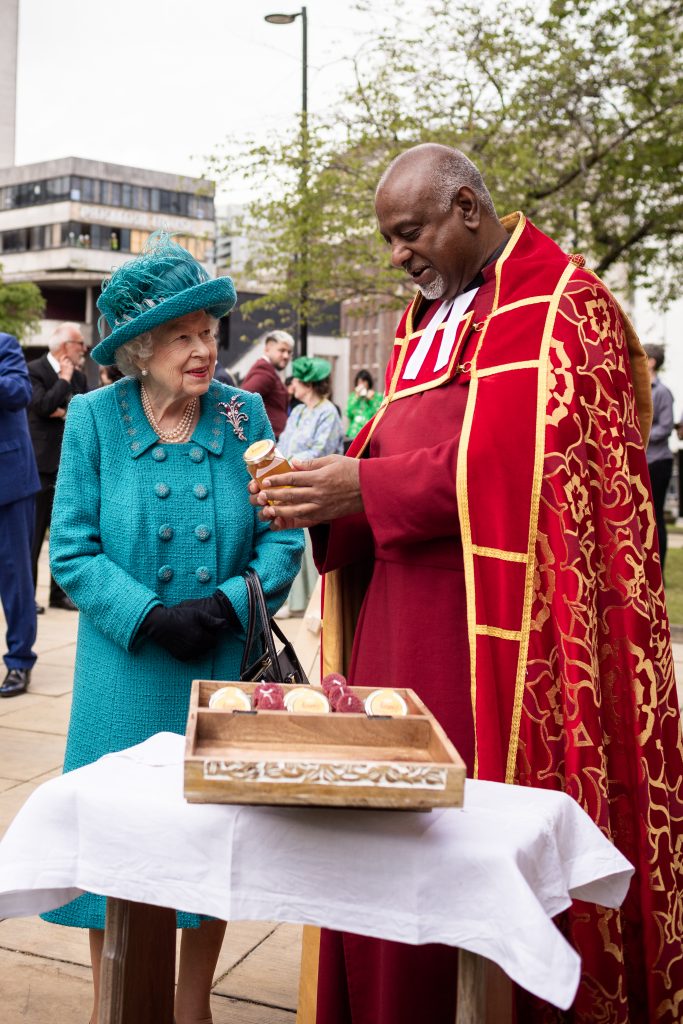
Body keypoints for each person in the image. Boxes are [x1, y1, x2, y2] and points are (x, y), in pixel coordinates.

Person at [251, 144, 683, 1024]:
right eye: (389, 240)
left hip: (503, 652)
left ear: (466, 209)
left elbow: (539, 463)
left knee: (459, 858)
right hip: (391, 636)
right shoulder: (422, 321)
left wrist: (362, 486)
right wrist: (325, 491)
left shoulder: (569, 306)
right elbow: (405, 444)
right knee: (383, 860)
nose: (398, 256)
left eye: (409, 234)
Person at [41, 232, 304, 1024]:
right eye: (185, 336)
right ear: (141, 348)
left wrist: (227, 604)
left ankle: (194, 1009)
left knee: (207, 838)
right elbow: (74, 549)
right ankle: (110, 1003)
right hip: (125, 667)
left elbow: (282, 531)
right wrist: (148, 615)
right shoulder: (92, 418)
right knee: (116, 845)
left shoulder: (242, 410)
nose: (205, 350)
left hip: (216, 663)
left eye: (209, 333)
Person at [27, 322, 88, 613]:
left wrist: (60, 409)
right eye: (80, 344)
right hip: (40, 465)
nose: (84, 349)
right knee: (33, 535)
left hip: (68, 463)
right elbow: (41, 406)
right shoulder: (34, 369)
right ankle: (27, 598)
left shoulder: (80, 376)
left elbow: (79, 411)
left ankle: (58, 595)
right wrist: (62, 380)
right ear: (65, 346)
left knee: (63, 533)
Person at [276, 356, 344, 617]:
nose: (292, 385)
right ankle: (294, 601)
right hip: (292, 482)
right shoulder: (299, 411)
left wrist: (290, 463)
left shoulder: (328, 412)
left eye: (297, 381)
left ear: (309, 384)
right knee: (294, 541)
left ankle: (313, 603)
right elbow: (284, 443)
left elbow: (321, 449)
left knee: (311, 544)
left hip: (315, 484)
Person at [0, 333, 40, 698]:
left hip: (8, 484)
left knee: (15, 578)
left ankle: (19, 660)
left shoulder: (4, 344)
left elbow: (19, 393)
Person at [643, 343, 674, 572]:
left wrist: (639, 433)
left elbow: (665, 428)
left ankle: (659, 572)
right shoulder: (637, 387)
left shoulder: (662, 392)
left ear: (652, 362)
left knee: (656, 518)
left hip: (658, 462)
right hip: (644, 460)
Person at [240, 329, 293, 438]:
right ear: (267, 349)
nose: (286, 356)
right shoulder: (264, 372)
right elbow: (243, 400)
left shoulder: (269, 370)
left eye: (289, 352)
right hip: (267, 442)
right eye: (282, 350)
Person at [344, 369, 382, 447]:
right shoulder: (353, 397)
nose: (362, 385)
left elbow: (379, 414)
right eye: (359, 382)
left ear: (368, 382)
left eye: (364, 382)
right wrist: (356, 397)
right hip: (353, 434)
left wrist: (371, 400)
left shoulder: (376, 396)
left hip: (369, 435)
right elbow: (349, 413)